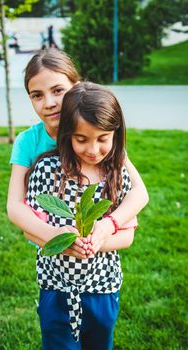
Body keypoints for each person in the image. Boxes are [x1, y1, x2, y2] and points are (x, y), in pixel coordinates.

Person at [25, 81, 148, 349]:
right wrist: (60, 240)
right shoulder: (47, 171)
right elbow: (30, 228)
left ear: (116, 134)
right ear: (67, 134)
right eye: (81, 139)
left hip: (102, 289)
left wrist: (98, 242)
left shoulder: (116, 174)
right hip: (56, 288)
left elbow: (127, 237)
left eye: (103, 139)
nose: (93, 150)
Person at [7, 47, 148, 258]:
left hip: (97, 256)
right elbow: (15, 206)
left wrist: (108, 226)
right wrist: (55, 236)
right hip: (53, 254)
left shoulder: (96, 135)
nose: (49, 103)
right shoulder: (28, 141)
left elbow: (139, 192)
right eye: (37, 95)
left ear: (77, 86)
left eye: (58, 90)